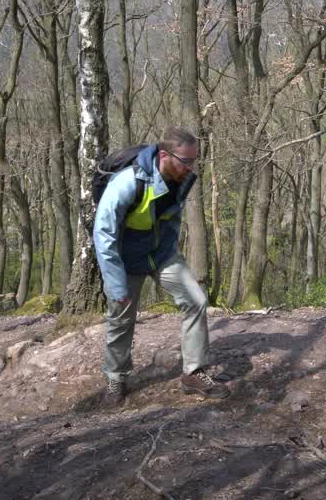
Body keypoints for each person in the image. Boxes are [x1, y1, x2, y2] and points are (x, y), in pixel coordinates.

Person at [93, 126, 230, 407]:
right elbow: (103, 234)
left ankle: (193, 372)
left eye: (194, 160)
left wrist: (170, 250)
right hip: (126, 259)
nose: (192, 168)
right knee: (121, 318)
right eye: (186, 161)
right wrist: (116, 284)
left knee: (196, 300)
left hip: (161, 254)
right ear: (165, 156)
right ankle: (115, 378)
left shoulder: (180, 178)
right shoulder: (129, 182)